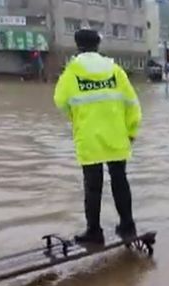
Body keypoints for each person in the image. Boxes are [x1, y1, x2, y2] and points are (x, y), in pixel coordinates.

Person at [53, 29, 142, 244]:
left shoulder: (72, 72)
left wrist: (77, 116)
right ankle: (128, 226)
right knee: (120, 180)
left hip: (89, 137)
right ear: (98, 45)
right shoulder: (115, 70)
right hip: (116, 135)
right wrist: (131, 131)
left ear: (77, 45)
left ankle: (94, 231)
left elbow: (60, 101)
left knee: (93, 185)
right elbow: (133, 104)